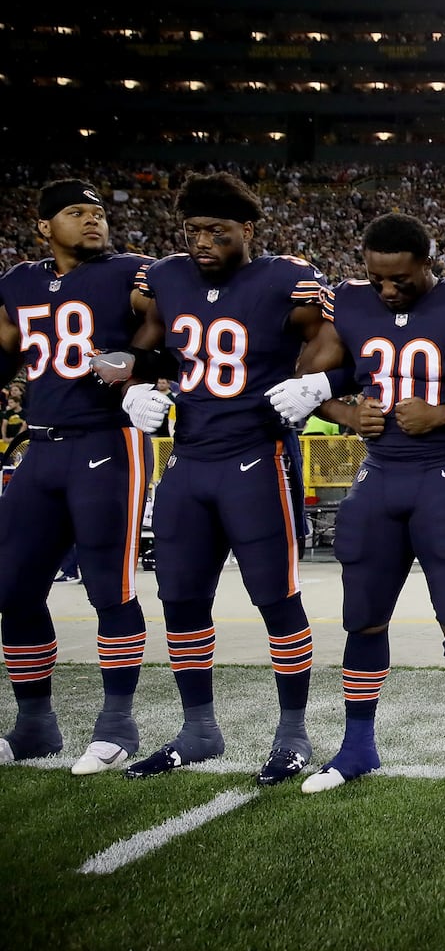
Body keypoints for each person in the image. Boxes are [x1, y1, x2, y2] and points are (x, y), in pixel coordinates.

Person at [281, 212, 445, 798]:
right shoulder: (348, 300)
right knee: (361, 616)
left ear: (428, 261)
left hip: (443, 475)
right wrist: (347, 413)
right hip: (378, 475)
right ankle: (357, 746)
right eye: (378, 280)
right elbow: (304, 384)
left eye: (400, 279)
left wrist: (442, 413)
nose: (388, 290)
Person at [119, 172, 328, 786]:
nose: (202, 241)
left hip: (257, 458)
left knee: (275, 598)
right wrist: (130, 387)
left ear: (248, 231)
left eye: (217, 230)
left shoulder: (287, 277)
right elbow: (142, 348)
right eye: (193, 231)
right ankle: (198, 728)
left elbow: (332, 342)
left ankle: (292, 734)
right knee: (179, 598)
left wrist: (314, 386)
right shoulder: (166, 277)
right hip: (189, 461)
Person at [0, 180, 155, 774]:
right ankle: (35, 723)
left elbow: (171, 324)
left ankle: (116, 725)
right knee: (14, 588)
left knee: (108, 588)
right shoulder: (18, 282)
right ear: (44, 226)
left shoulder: (131, 271)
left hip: (105, 441)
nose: (94, 221)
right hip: (39, 449)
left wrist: (138, 362)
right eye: (76, 213)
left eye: (98, 212)